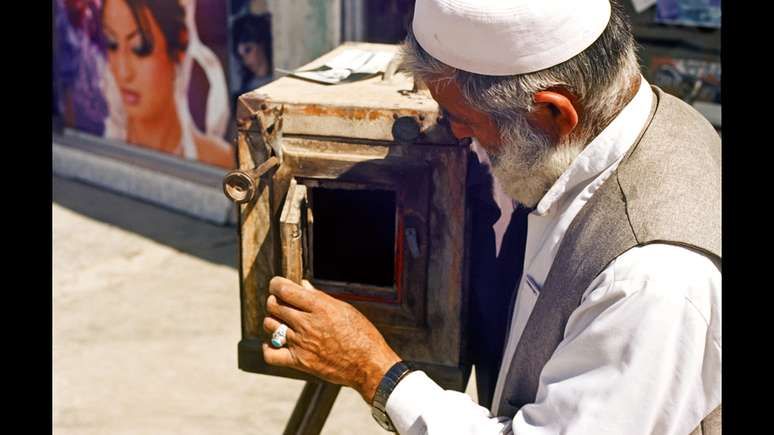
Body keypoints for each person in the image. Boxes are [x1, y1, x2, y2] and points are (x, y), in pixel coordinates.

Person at [261, 1, 721, 434]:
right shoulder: (641, 113)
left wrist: (374, 372)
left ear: (552, 114)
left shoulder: (653, 281)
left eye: (463, 119)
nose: (456, 134)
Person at [101, 0, 235, 168]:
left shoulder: (219, 160)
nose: (122, 72)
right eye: (112, 44)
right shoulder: (96, 149)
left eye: (140, 48)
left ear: (179, 46)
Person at [231, 12, 273, 105]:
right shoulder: (246, 95)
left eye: (247, 50)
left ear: (261, 44)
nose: (245, 60)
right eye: (240, 56)